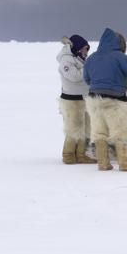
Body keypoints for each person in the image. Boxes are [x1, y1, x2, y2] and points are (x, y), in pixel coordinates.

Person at [82, 28, 127, 171]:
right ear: (121, 44)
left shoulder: (91, 58)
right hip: (116, 101)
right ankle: (124, 163)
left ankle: (103, 163)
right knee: (121, 131)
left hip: (94, 100)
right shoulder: (119, 56)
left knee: (99, 132)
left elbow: (86, 79)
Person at [56, 34, 94, 164]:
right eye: (84, 48)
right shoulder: (66, 60)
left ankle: (81, 154)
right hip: (71, 100)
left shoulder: (80, 59)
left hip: (83, 98)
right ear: (76, 47)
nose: (86, 51)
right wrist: (88, 67)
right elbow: (75, 76)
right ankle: (68, 155)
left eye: (87, 49)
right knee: (73, 129)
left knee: (84, 128)